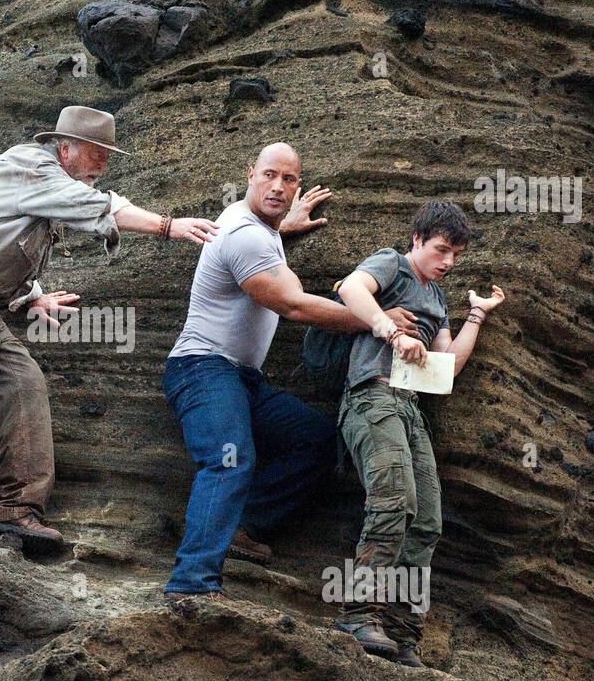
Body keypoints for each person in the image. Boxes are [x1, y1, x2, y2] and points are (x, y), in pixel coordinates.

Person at [0, 105, 221, 543]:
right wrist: (167, 226)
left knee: (24, 385)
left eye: (108, 154)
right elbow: (94, 206)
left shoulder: (54, 184)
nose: (103, 163)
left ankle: (15, 508)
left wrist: (31, 297)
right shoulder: (32, 167)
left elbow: (4, 242)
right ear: (64, 148)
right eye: (95, 152)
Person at [162, 143, 419, 601]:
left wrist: (285, 225)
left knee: (320, 439)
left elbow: (267, 240)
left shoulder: (257, 225)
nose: (279, 187)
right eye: (269, 176)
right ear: (250, 174)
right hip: (201, 369)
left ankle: (244, 524)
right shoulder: (244, 233)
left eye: (290, 179)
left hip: (243, 380)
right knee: (228, 459)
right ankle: (191, 585)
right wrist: (377, 319)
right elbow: (293, 304)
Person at [331, 200, 505, 666]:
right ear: (416, 240)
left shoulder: (437, 299)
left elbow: (446, 368)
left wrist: (476, 314)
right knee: (393, 500)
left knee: (426, 520)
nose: (447, 262)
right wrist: (392, 331)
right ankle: (357, 612)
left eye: (455, 255)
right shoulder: (392, 265)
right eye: (441, 250)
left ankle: (402, 633)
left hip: (410, 408)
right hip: (372, 397)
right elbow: (351, 288)